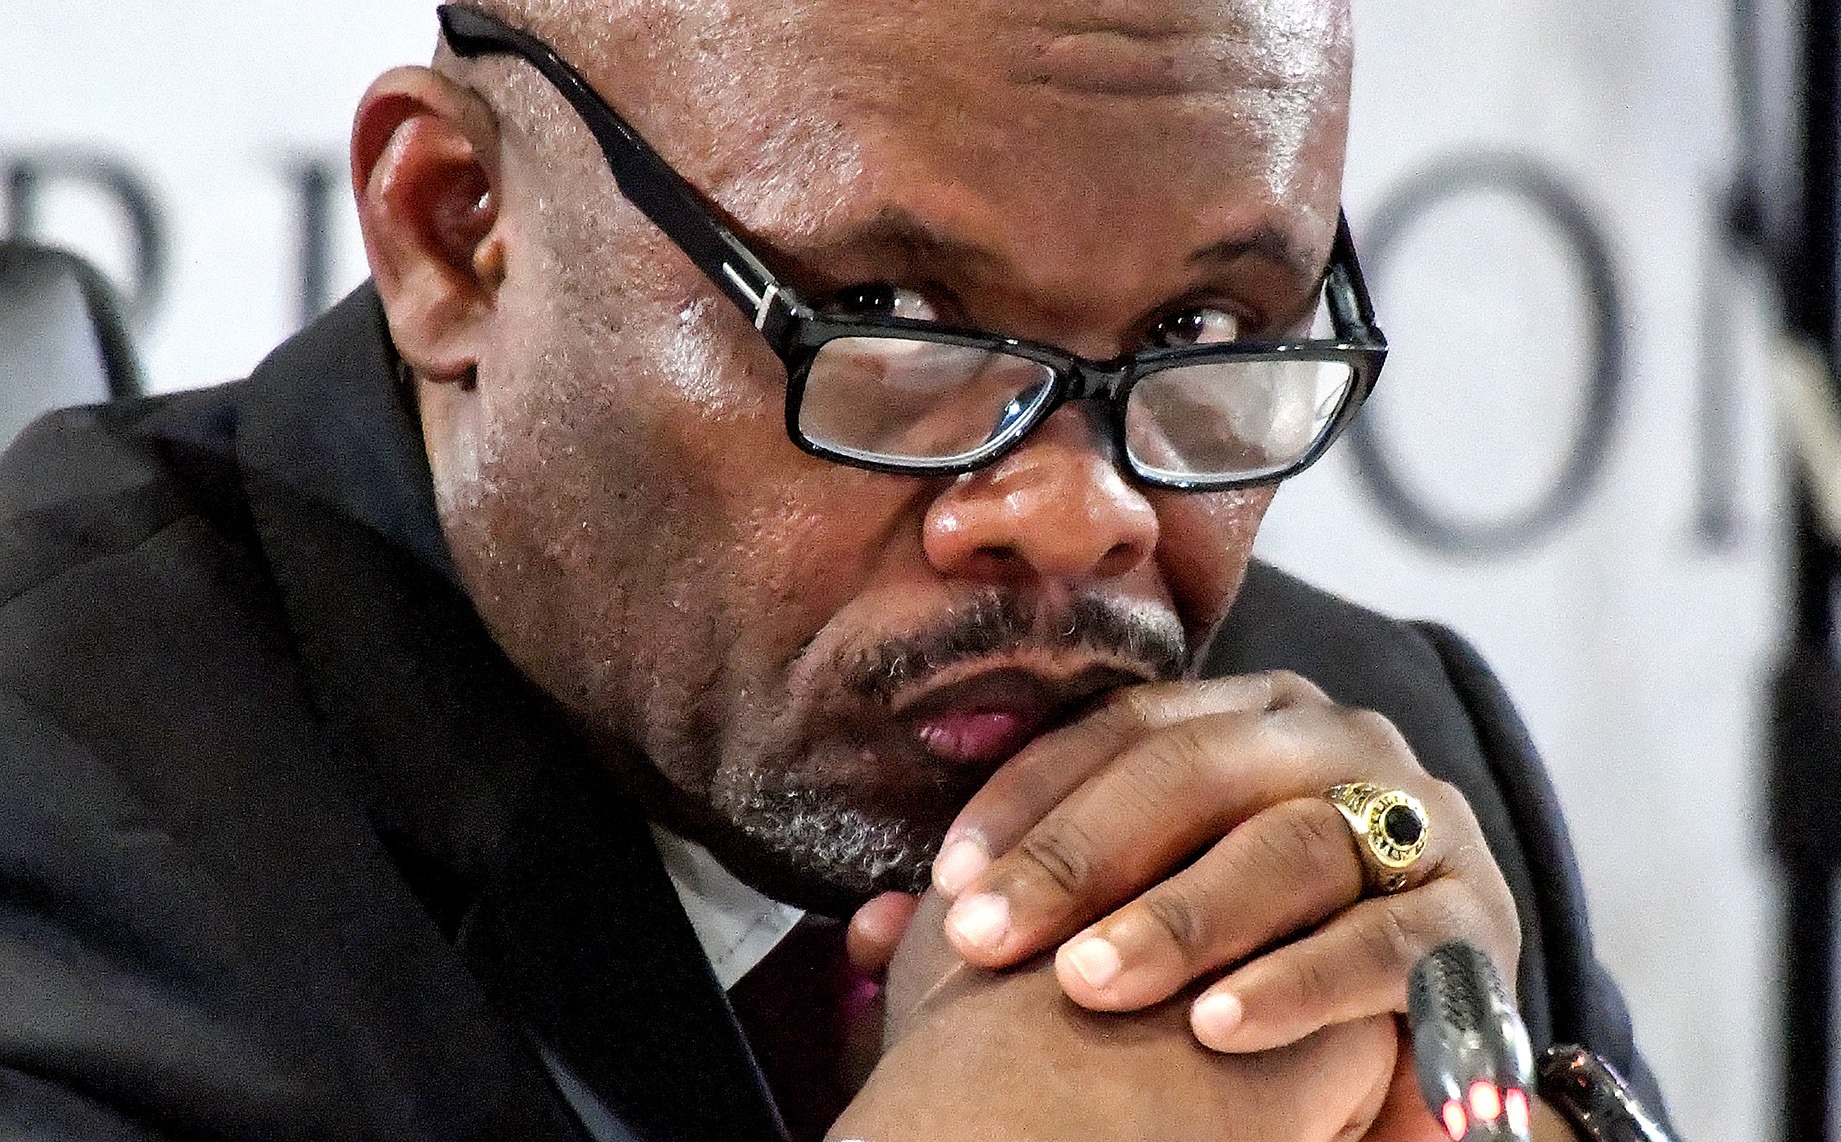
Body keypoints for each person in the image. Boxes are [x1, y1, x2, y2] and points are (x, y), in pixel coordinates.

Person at [0, 1, 1674, 1139]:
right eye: (896, 326)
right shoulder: (51, 817)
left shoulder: (1365, 791)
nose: (1078, 514)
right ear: (457, 232)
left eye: (1203, 329)